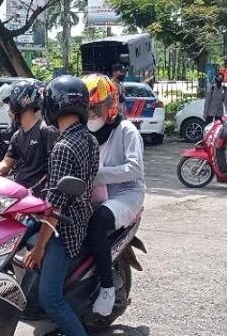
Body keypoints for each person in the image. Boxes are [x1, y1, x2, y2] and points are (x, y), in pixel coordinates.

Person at [23, 75, 99, 336]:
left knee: (51, 300)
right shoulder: (89, 139)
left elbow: (54, 208)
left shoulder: (63, 147)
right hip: (81, 219)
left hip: (63, 232)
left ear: (52, 106)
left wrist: (40, 249)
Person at [82, 74, 146, 317]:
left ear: (111, 105)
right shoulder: (85, 134)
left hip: (126, 194)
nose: (91, 115)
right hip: (97, 193)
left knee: (97, 222)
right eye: (87, 109)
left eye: (95, 108)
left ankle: (107, 288)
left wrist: (98, 175)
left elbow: (134, 168)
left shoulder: (126, 130)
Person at [0, 79, 58, 195]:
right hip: (18, 195)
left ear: (21, 101)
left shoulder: (46, 130)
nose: (7, 108)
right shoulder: (17, 136)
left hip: (38, 197)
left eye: (9, 103)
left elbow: (55, 169)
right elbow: (6, 164)